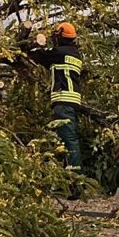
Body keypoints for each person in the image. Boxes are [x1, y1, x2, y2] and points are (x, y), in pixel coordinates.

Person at [29, 22, 83, 172]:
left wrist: (32, 46)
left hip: (64, 101)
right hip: (71, 101)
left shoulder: (60, 53)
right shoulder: (73, 53)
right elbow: (49, 62)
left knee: (69, 142)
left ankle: (77, 181)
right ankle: (69, 179)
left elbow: (38, 55)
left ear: (59, 36)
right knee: (65, 140)